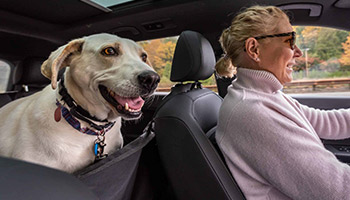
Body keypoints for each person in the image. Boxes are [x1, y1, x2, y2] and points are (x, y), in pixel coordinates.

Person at [215, 5, 350, 200]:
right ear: (254, 49)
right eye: (290, 40)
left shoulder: (265, 96)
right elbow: (339, 190)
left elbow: (325, 122)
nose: (298, 53)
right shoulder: (253, 112)